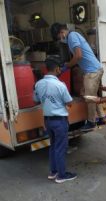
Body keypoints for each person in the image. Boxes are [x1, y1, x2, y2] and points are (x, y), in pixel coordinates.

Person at [51, 23, 103, 131]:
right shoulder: (71, 37)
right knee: (92, 95)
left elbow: (79, 56)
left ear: (61, 32)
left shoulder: (72, 36)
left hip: (92, 71)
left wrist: (68, 66)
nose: (60, 40)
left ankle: (91, 122)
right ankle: (102, 117)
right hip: (94, 70)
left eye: (59, 37)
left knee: (90, 98)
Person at [33, 56, 77, 184]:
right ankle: (62, 176)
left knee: (53, 147)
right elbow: (69, 103)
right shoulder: (60, 85)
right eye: (60, 68)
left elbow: (35, 100)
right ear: (57, 69)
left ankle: (53, 172)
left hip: (47, 120)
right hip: (59, 121)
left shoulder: (38, 84)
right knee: (60, 148)